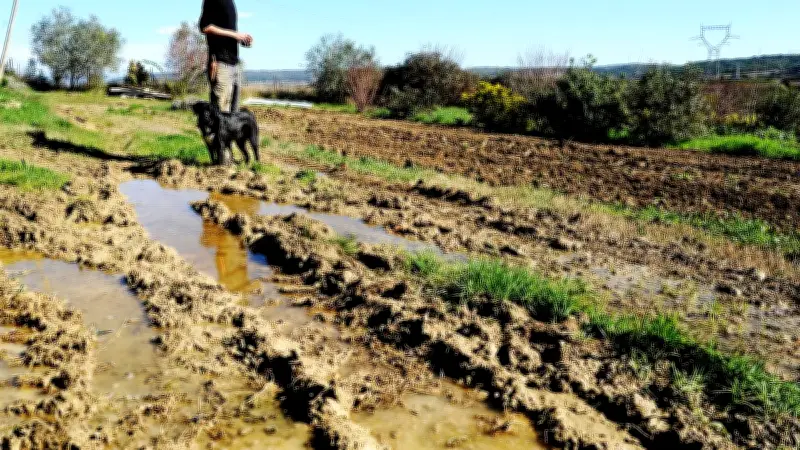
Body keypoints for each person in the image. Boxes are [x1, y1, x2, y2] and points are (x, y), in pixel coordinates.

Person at [199, 0, 253, 113]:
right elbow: (205, 27)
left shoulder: (230, 2)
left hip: (233, 62)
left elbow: (228, 31)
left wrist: (242, 40)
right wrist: (235, 35)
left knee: (234, 114)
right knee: (220, 114)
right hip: (220, 62)